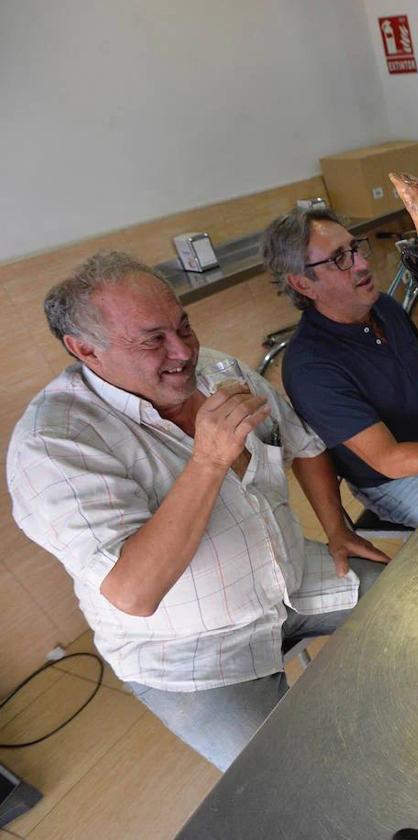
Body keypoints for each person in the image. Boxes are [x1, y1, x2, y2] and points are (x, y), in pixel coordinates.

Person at [7, 251, 393, 771]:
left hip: (292, 580)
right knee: (289, 783)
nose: (183, 351)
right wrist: (209, 459)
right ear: (85, 349)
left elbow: (299, 442)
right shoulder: (53, 446)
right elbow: (134, 593)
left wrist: (336, 528)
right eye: (152, 339)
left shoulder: (218, 369)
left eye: (182, 325)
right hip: (191, 653)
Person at [262, 208, 418, 527]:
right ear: (303, 283)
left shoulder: (382, 306)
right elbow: (389, 461)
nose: (362, 264)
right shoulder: (310, 367)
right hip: (397, 480)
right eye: (338, 259)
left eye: (354, 248)